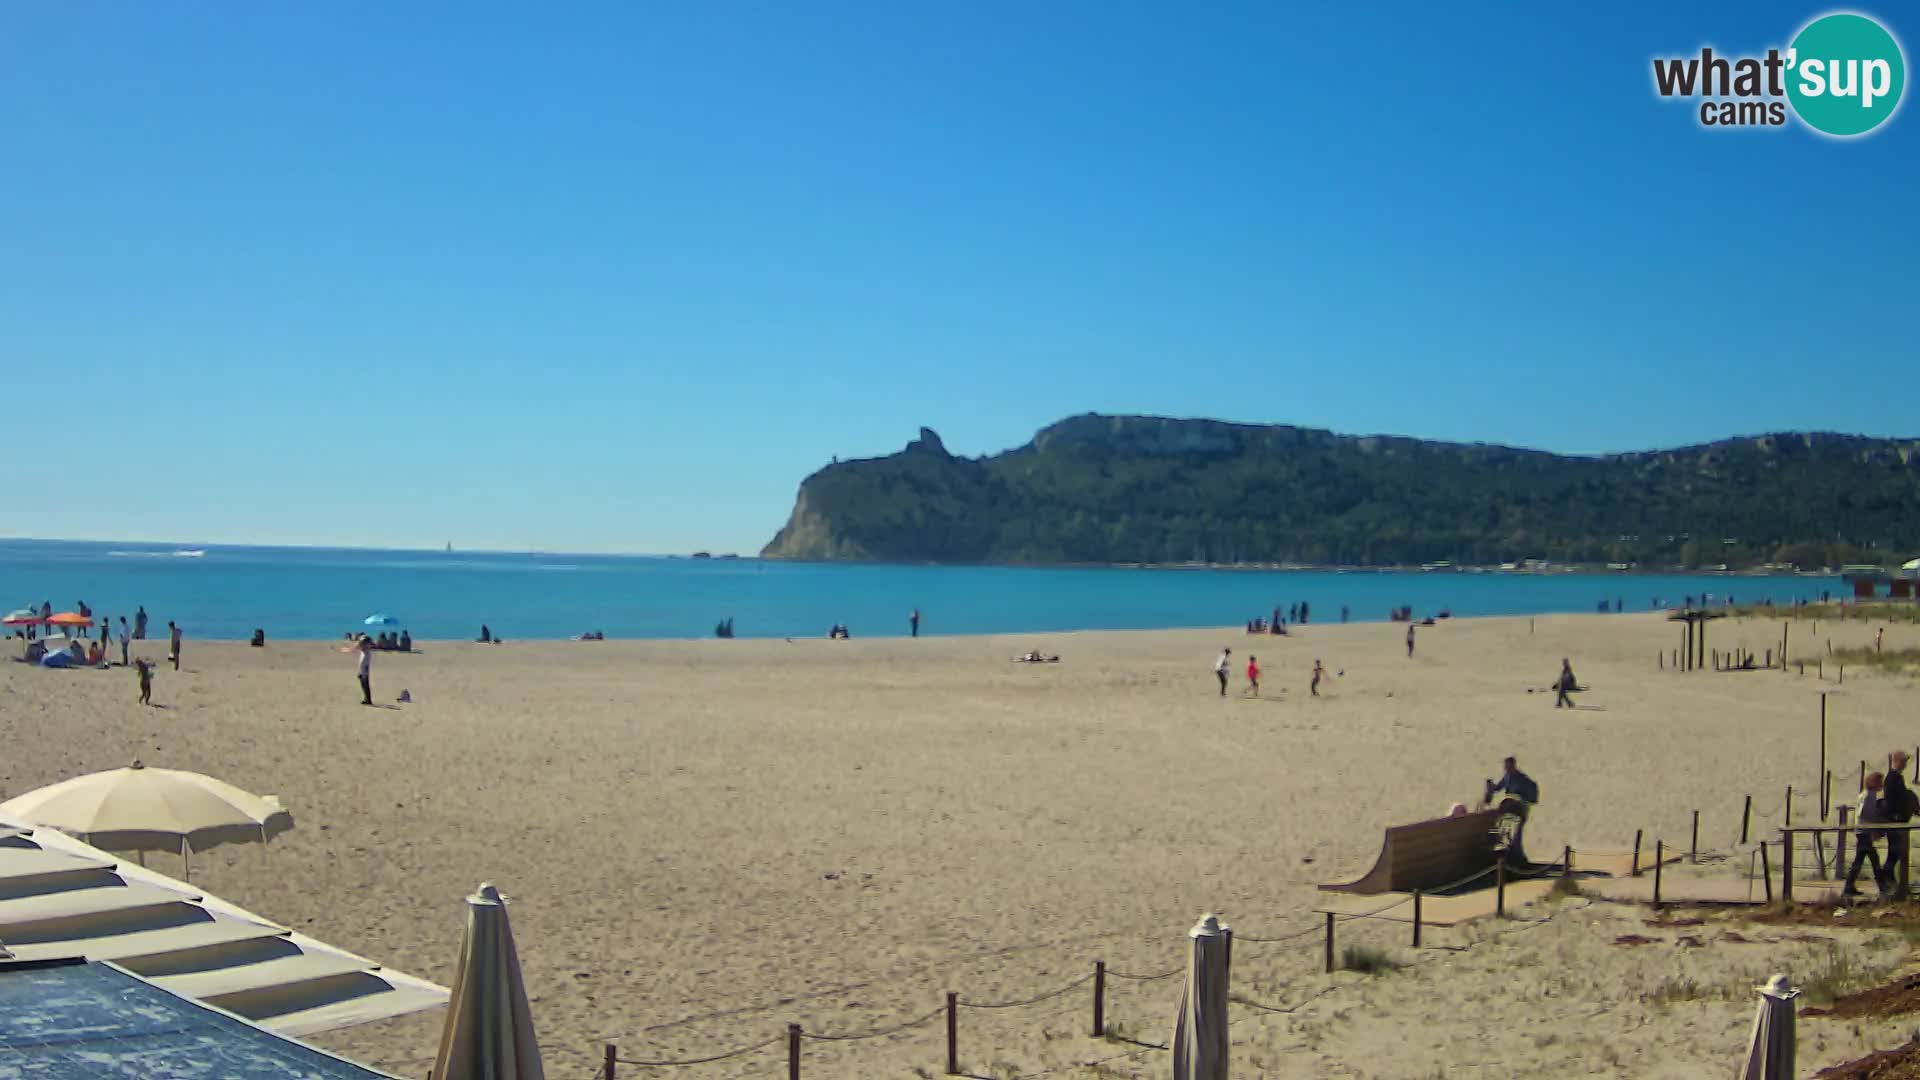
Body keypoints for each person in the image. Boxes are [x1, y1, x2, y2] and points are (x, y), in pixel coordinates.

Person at [1842, 771, 1888, 898]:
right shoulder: (1869, 796)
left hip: (1862, 831)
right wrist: (1873, 828)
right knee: (1874, 860)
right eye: (1880, 782)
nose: (1882, 784)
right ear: (1874, 782)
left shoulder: (1864, 794)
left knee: (1860, 861)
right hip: (1864, 832)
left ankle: (1849, 887)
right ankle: (1883, 888)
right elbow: (1863, 814)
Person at [1884, 751, 1915, 895]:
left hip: (1898, 819)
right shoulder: (1892, 778)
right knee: (1895, 850)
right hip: (1895, 820)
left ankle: (1889, 877)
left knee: (1896, 851)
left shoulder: (1897, 777)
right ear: (1897, 761)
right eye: (1903, 761)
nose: (1905, 764)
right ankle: (1887, 877)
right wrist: (1896, 815)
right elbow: (1892, 799)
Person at [357, 636, 374, 705]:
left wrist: (364, 674)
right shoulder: (363, 652)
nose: (361, 646)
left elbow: (366, 665)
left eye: (362, 644)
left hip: (364, 672)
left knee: (366, 686)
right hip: (362, 671)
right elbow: (361, 663)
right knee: (363, 686)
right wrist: (360, 672)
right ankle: (366, 698)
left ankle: (368, 700)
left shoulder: (367, 653)